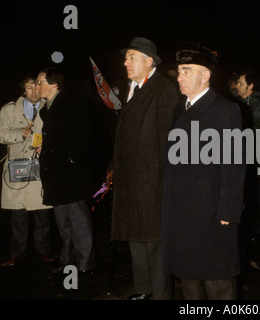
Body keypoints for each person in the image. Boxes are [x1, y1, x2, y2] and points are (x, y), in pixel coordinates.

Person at [162, 44, 245, 300]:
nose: (180, 77)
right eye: (179, 71)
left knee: (217, 281)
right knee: (190, 283)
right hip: (183, 215)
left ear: (206, 75)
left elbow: (234, 167)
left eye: (187, 70)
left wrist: (228, 211)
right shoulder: (180, 108)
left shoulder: (225, 110)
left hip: (210, 214)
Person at [106, 37, 180, 300]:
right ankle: (143, 290)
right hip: (130, 177)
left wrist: (165, 183)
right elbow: (124, 133)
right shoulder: (132, 88)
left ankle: (160, 295)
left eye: (132, 57)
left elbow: (169, 141)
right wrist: (114, 165)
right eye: (126, 58)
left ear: (149, 62)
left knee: (154, 241)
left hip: (152, 179)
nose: (125, 62)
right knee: (134, 236)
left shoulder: (163, 90)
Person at [36, 67, 97, 278]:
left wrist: (70, 160)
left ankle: (85, 264)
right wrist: (46, 147)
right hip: (55, 173)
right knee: (63, 221)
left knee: (78, 219)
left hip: (70, 174)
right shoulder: (47, 108)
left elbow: (83, 137)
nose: (37, 86)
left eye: (41, 82)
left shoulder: (72, 103)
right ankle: (67, 261)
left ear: (54, 83)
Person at [0, 75, 54, 267]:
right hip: (17, 167)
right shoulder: (8, 110)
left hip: (40, 165)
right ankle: (16, 253)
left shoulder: (49, 107)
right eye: (29, 87)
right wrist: (18, 134)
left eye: (36, 86)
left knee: (41, 212)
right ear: (23, 90)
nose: (34, 91)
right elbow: (1, 133)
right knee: (18, 213)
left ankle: (44, 251)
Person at [236, 70, 260, 242]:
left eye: (240, 83)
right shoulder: (238, 103)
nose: (236, 86)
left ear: (250, 86)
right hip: (243, 155)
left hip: (259, 155)